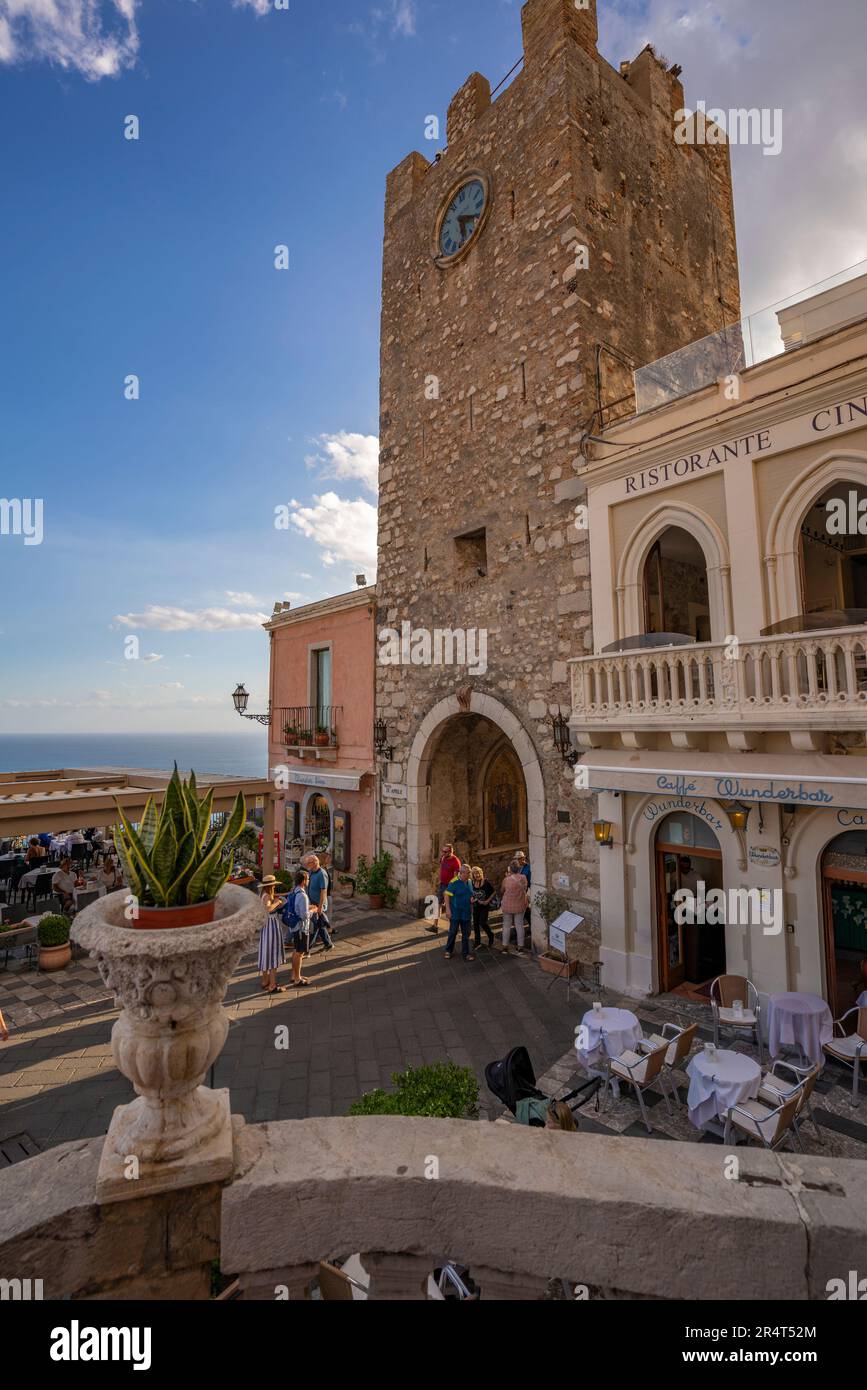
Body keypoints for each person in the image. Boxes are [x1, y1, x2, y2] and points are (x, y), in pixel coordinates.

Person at [281, 869, 313, 987]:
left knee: (296, 951)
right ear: (304, 881)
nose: (309, 881)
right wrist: (312, 910)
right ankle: (297, 978)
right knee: (300, 953)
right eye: (308, 879)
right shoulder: (303, 895)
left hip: (294, 927)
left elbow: (296, 907)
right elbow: (304, 915)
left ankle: (294, 975)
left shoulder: (294, 892)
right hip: (301, 928)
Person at [258, 875, 287, 996]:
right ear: (270, 886)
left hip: (266, 926)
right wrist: (277, 902)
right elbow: (269, 908)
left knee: (266, 952)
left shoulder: (263, 895)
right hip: (271, 925)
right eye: (274, 885)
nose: (275, 886)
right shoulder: (267, 897)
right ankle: (272, 985)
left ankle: (265, 980)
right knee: (273, 953)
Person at [444, 864, 475, 962]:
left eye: (470, 872)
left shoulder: (469, 881)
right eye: (468, 873)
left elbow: (469, 894)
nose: (470, 874)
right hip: (455, 912)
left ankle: (466, 953)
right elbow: (446, 895)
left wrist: (472, 900)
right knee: (453, 932)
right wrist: (448, 909)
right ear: (461, 873)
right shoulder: (453, 882)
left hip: (466, 912)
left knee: (466, 933)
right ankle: (448, 950)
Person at [303, 853, 334, 952]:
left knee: (317, 925)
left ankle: (307, 948)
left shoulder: (322, 873)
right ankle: (328, 944)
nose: (307, 865)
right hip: (313, 903)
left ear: (315, 863)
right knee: (318, 924)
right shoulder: (311, 872)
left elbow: (323, 891)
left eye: (309, 863)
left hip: (318, 904)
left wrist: (320, 907)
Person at [429, 843, 461, 934]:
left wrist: (451, 887)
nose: (443, 853)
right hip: (442, 884)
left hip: (449, 886)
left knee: (450, 906)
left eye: (445, 851)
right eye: (442, 851)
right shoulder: (443, 858)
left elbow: (456, 877)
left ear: (451, 852)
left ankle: (454, 927)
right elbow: (441, 868)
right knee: (438, 903)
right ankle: (435, 926)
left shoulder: (455, 861)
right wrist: (440, 879)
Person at [499, 860, 529, 954]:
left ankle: (505, 946)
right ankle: (520, 947)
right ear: (519, 868)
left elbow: (502, 890)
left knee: (506, 925)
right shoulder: (523, 877)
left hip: (508, 905)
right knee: (519, 925)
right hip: (520, 904)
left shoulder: (506, 880)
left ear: (510, 869)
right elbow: (525, 888)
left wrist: (507, 877)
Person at [470, 866, 495, 950]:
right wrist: (472, 899)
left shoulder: (486, 882)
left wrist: (487, 901)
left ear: (481, 873)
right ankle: (477, 942)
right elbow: (471, 894)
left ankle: (490, 935)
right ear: (472, 875)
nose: (477, 875)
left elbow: (493, 892)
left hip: (484, 906)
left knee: (482, 922)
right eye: (475, 873)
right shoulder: (472, 883)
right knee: (475, 924)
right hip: (476, 906)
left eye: (479, 873)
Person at [515, 850, 532, 941]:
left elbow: (530, 881)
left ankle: (531, 926)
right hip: (517, 892)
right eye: (517, 859)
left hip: (526, 892)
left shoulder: (528, 868)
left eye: (520, 858)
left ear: (523, 858)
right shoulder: (516, 868)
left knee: (526, 910)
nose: (518, 860)